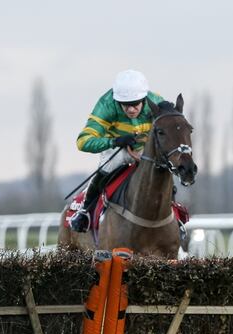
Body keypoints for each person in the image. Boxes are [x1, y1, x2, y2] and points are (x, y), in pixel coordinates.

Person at [69, 69, 165, 232]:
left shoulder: (156, 102)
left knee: (164, 164)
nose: (131, 110)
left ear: (144, 98)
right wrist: (114, 141)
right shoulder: (106, 105)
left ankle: (172, 212)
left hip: (145, 150)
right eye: (125, 105)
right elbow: (83, 142)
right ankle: (85, 210)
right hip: (117, 149)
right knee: (110, 163)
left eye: (135, 103)